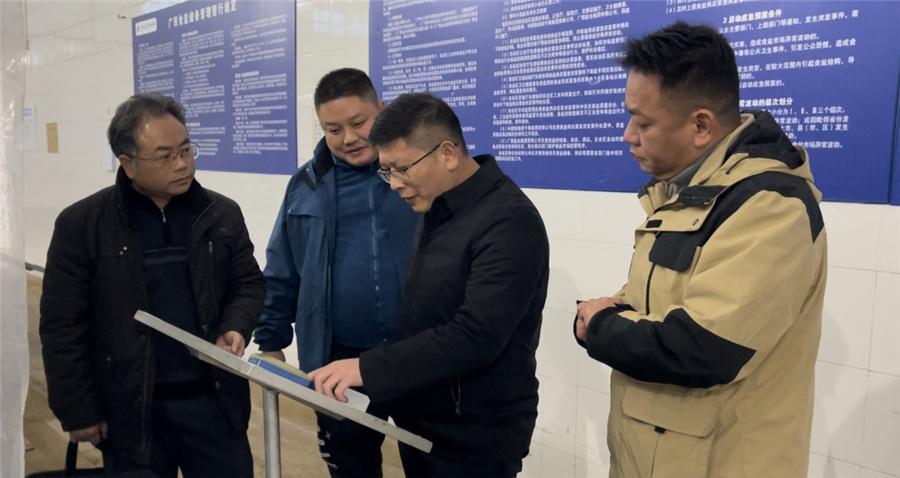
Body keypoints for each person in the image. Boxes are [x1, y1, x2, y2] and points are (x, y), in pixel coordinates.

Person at [573, 22, 828, 478]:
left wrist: (602, 326)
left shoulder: (769, 206)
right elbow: (662, 301)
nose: (628, 135)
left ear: (701, 125)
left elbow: (706, 347)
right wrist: (615, 307)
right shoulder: (687, 194)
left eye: (643, 122)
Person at [308, 92, 550, 477]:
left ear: (447, 153)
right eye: (386, 172)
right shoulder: (438, 205)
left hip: (472, 436)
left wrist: (369, 368)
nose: (394, 184)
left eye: (401, 169)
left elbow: (477, 334)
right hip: (426, 422)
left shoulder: (509, 220)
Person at [39, 92, 265, 477]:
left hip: (213, 403)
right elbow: (62, 326)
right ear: (127, 163)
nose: (182, 164)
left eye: (186, 150)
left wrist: (235, 326)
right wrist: (78, 409)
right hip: (131, 411)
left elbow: (248, 282)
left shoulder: (221, 214)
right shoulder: (83, 225)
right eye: (165, 156)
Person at [252, 68, 418, 477]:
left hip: (415, 356)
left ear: (382, 110)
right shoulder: (305, 186)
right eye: (333, 129)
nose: (348, 138)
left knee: (429, 463)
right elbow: (282, 268)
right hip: (338, 363)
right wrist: (270, 340)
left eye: (359, 123)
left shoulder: (417, 172)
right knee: (351, 465)